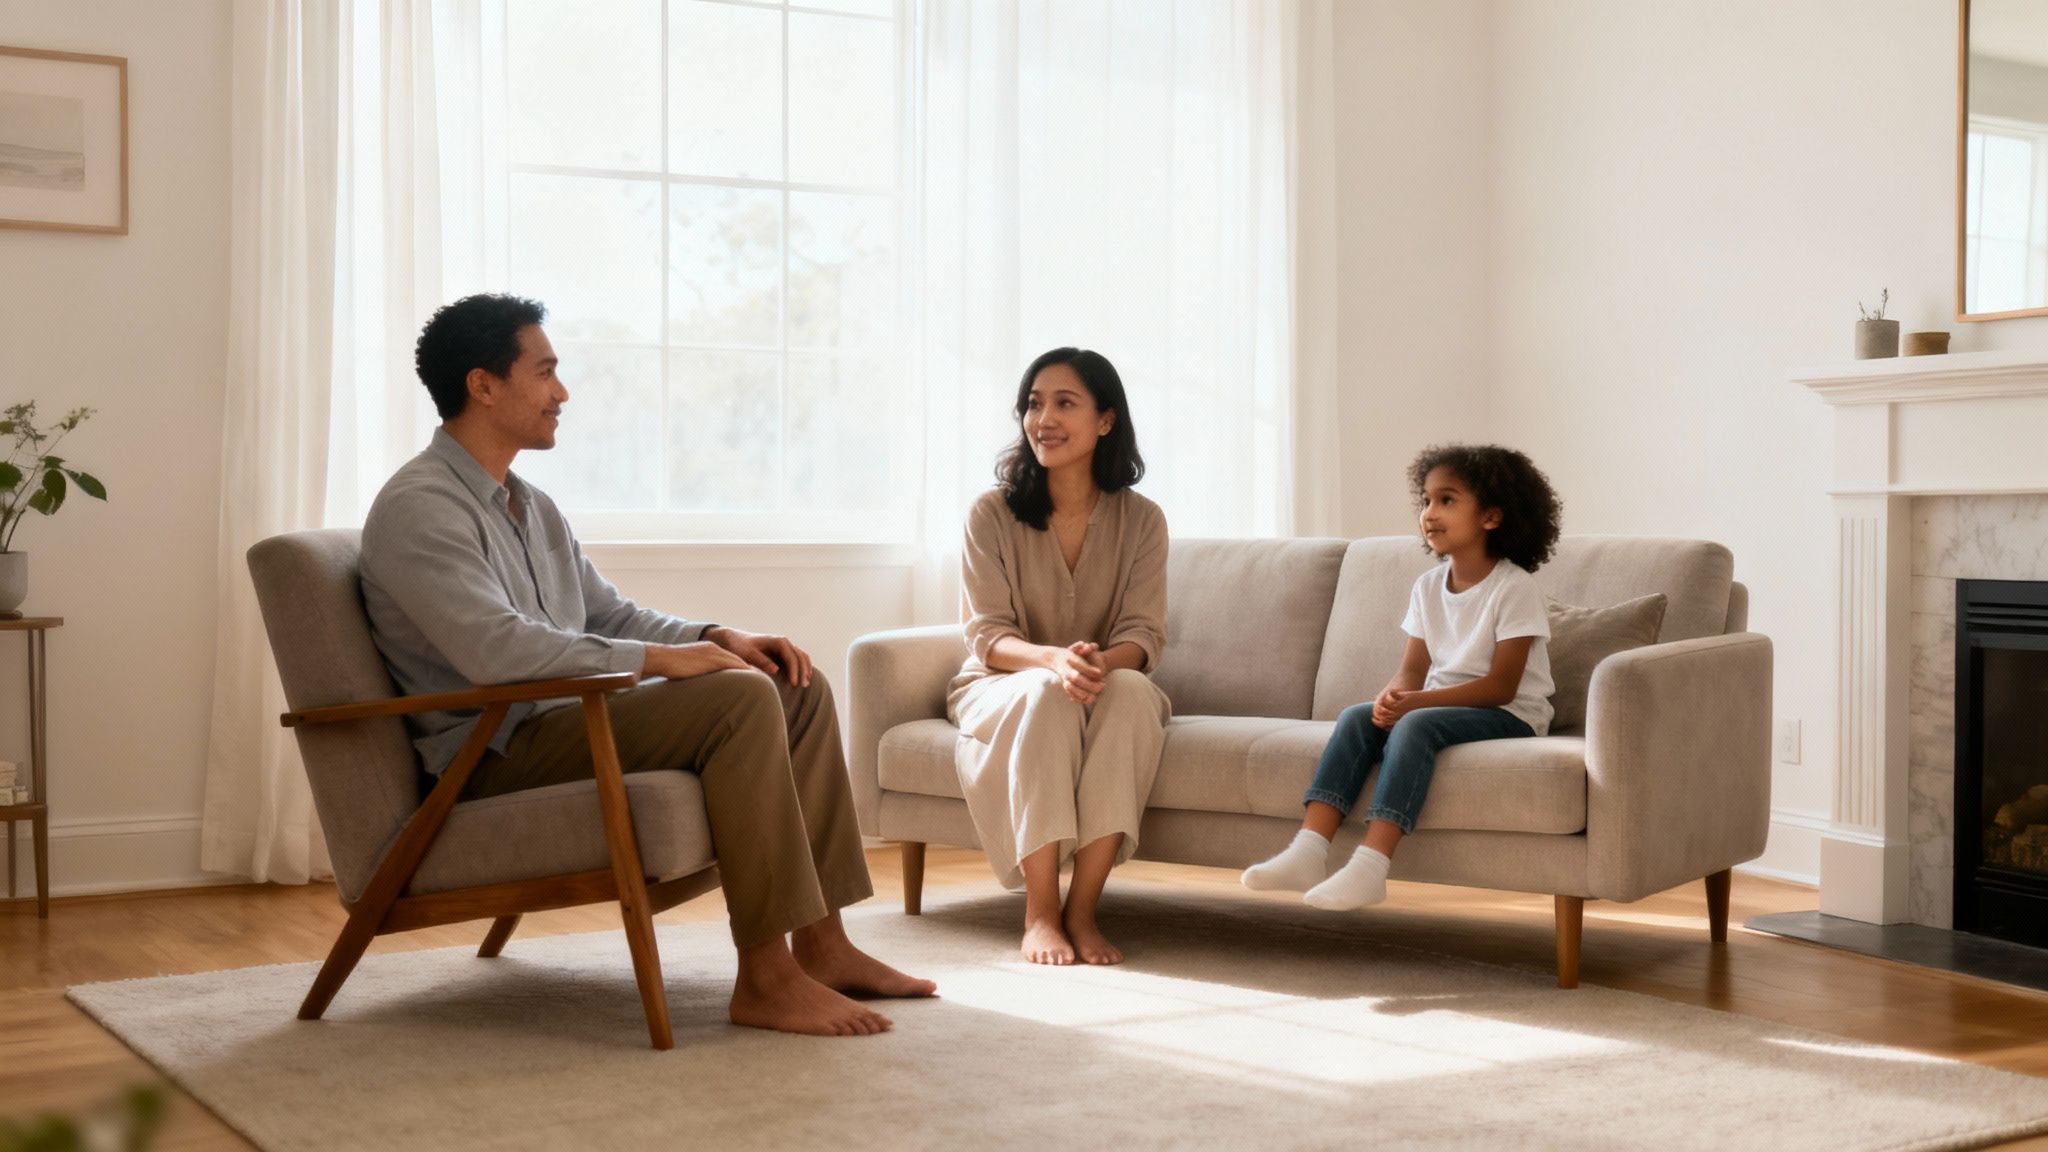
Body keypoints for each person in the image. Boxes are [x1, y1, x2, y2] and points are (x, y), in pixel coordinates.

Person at [359, 293, 934, 1037]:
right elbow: (497, 652)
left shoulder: (528, 505)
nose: (562, 393)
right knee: (737, 702)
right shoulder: (420, 508)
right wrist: (668, 661)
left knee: (790, 684)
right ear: (483, 384)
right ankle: (765, 978)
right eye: (546, 372)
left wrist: (718, 637)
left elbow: (607, 612)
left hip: (564, 719)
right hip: (494, 750)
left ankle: (822, 944)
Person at [1241, 443, 1562, 909]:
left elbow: (1501, 686)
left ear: (1492, 517)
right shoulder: (1428, 587)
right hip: (1442, 706)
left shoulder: (1514, 588)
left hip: (1511, 713)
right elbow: (1412, 670)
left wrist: (1414, 705)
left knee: (1414, 723)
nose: (1430, 513)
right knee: (1357, 717)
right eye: (1427, 501)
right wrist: (1392, 697)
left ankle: (1371, 866)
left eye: (1447, 500)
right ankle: (1308, 850)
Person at [949, 347, 1170, 966]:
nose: (1042, 417)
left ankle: (1083, 910)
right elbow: (987, 633)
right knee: (1048, 693)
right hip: (1003, 680)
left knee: (1130, 695)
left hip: (1102, 678)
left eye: (1064, 403)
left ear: (1106, 420)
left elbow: (1145, 634)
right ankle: (1040, 911)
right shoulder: (989, 513)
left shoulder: (1144, 521)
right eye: (1033, 403)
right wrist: (1053, 661)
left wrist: (1093, 665)